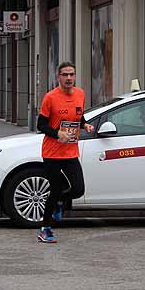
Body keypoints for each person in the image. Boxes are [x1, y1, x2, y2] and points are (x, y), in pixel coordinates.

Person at [36, 61, 94, 244]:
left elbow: (78, 115)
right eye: (65, 75)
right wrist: (57, 133)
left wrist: (85, 124)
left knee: (78, 188)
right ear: (58, 77)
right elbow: (41, 125)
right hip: (52, 153)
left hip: (70, 151)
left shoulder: (80, 94)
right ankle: (45, 229)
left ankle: (59, 202)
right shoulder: (50, 97)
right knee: (55, 190)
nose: (68, 78)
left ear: (75, 76)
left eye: (71, 74)